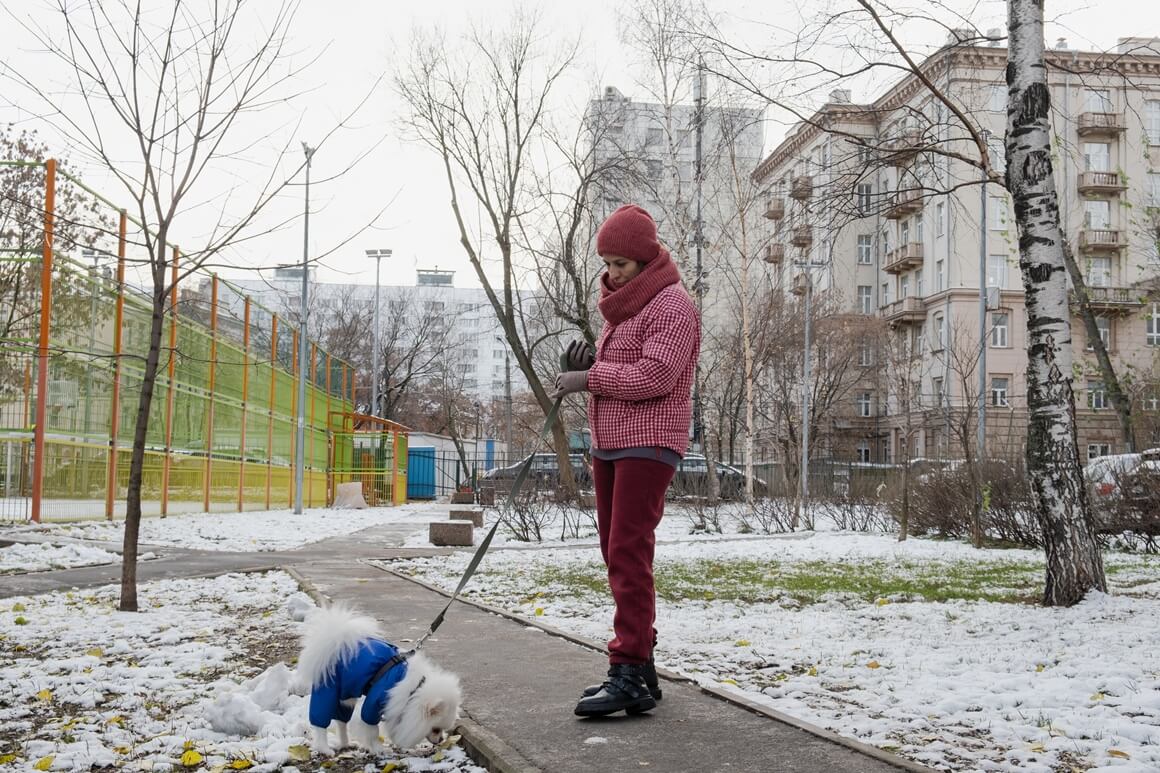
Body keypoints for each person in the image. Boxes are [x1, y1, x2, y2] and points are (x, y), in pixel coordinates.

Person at [552, 204, 700, 717]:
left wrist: (591, 379)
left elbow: (656, 376)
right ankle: (642, 665)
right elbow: (624, 368)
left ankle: (630, 668)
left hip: (650, 441)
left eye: (621, 264)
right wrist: (592, 363)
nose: (611, 274)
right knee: (616, 553)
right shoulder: (627, 308)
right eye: (607, 263)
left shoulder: (672, 306)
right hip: (611, 441)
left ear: (645, 259)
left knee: (628, 551)